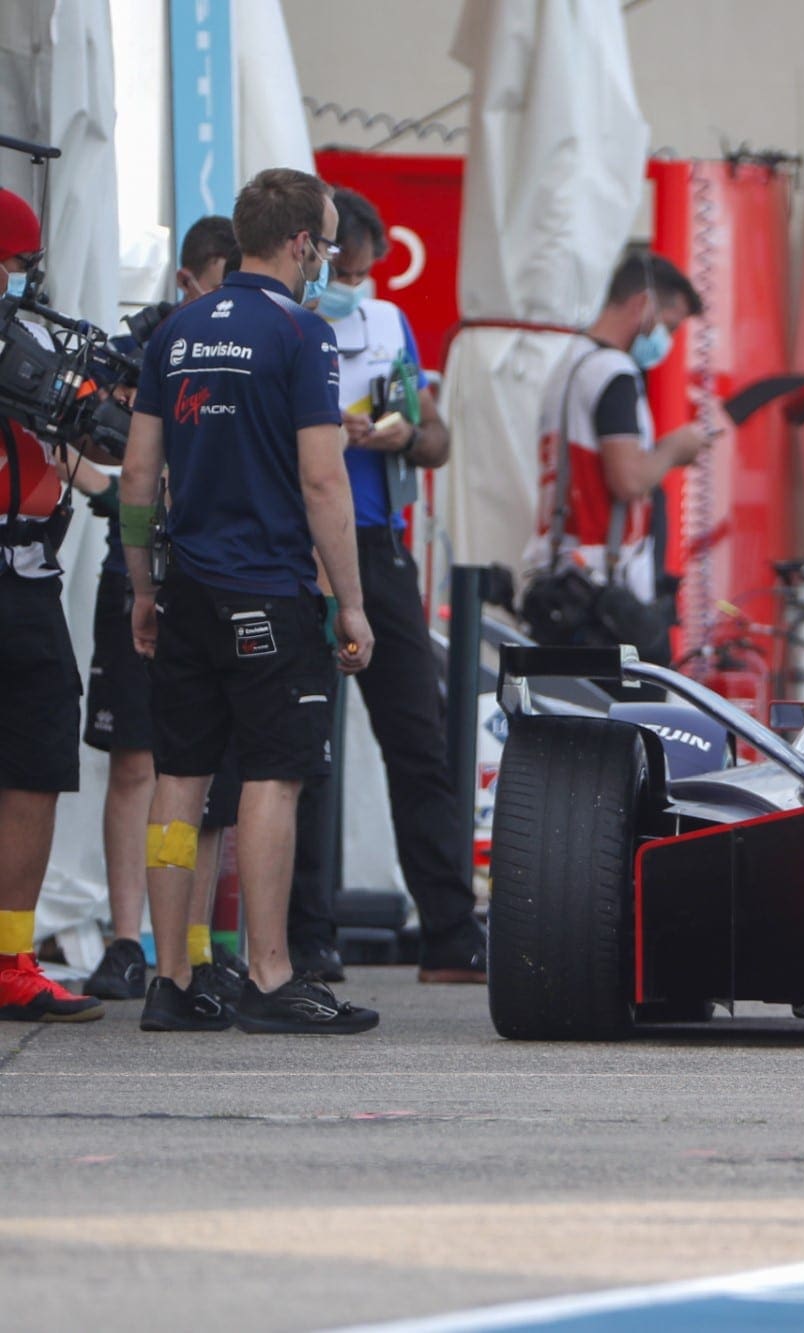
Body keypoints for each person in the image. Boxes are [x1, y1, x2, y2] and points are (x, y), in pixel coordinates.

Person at [122, 166, 379, 1034]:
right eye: (328, 245)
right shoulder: (303, 336)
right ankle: (271, 975)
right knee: (275, 775)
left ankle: (171, 977)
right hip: (268, 589)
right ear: (302, 243)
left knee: (179, 780)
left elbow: (136, 476)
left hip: (188, 589)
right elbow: (321, 476)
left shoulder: (176, 331)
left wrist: (143, 587)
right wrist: (351, 602)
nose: (327, 263)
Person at [282, 187, 486, 986]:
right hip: (298, 546)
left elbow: (434, 435)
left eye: (363, 270)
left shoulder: (384, 323)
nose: (353, 282)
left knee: (417, 737)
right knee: (301, 745)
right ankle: (306, 932)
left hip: (378, 542)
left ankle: (448, 930)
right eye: (345, 264)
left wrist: (403, 429)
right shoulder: (285, 322)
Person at [79, 216, 245, 1004]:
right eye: (220, 283)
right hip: (143, 571)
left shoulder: (269, 340)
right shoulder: (140, 348)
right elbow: (97, 447)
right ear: (187, 281)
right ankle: (124, 939)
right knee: (138, 761)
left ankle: (196, 948)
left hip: (221, 575)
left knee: (211, 776)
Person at [0, 187, 104, 1022]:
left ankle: (10, 957)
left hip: (27, 579)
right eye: (13, 264)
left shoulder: (33, 344)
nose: (18, 281)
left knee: (34, 766)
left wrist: (128, 492)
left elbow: (76, 444)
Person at [523, 248, 709, 663]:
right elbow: (627, 479)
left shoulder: (569, 364)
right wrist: (674, 449)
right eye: (669, 326)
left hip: (561, 580)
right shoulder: (614, 373)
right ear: (642, 305)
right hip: (604, 598)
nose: (668, 342)